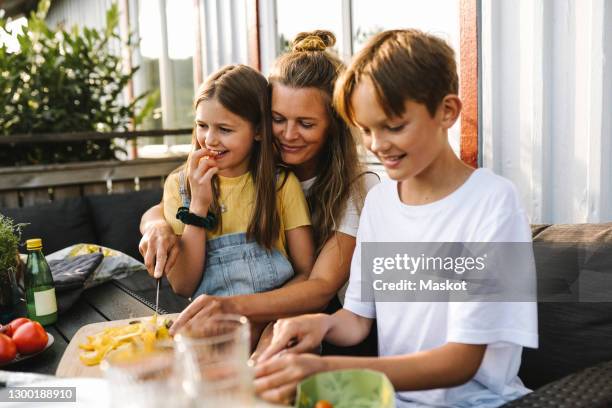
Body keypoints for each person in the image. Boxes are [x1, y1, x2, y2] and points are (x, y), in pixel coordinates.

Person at [254, 29, 538, 407]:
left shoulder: (493, 203)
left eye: (394, 126)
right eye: (367, 129)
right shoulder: (380, 202)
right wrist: (317, 324)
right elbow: (356, 319)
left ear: (447, 112)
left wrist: (324, 370)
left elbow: (461, 362)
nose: (378, 144)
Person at [139, 30, 379, 337]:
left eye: (305, 124)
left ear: (335, 126)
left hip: (334, 325)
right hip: (244, 318)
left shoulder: (356, 188)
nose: (288, 134)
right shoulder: (258, 169)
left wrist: (231, 309)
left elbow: (319, 287)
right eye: (278, 119)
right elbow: (169, 207)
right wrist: (155, 227)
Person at [160, 64, 314, 304]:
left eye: (224, 129)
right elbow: (182, 285)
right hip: (215, 327)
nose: (209, 140)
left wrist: (264, 322)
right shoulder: (178, 186)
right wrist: (199, 205)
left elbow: (306, 273)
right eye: (202, 126)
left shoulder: (281, 185)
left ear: (259, 132)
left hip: (276, 320)